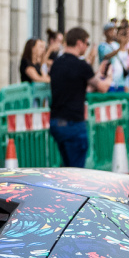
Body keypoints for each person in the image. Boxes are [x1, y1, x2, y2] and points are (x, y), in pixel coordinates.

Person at [48, 27, 111, 167]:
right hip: (73, 123)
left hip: (56, 121)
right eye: (87, 43)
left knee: (66, 166)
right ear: (79, 43)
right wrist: (109, 76)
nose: (87, 47)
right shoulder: (81, 65)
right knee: (76, 171)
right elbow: (102, 87)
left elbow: (77, 87)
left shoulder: (57, 64)